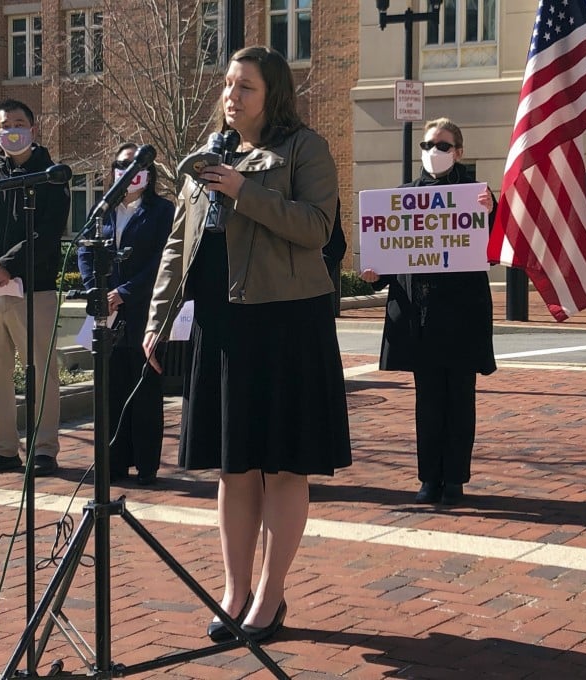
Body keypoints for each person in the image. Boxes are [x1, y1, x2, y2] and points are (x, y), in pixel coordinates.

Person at [143, 45, 351, 643]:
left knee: (283, 466)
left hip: (289, 324)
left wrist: (242, 190)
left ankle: (270, 594)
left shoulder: (304, 148)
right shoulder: (208, 155)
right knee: (234, 467)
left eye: (247, 87)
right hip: (223, 326)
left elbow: (317, 228)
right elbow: (178, 247)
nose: (232, 95)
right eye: (229, 85)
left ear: (273, 95)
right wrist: (157, 320)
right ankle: (233, 591)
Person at [360, 117, 496, 506]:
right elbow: (390, 255)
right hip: (420, 318)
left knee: (460, 400)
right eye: (427, 145)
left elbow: (496, 246)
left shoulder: (476, 196)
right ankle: (428, 478)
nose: (432, 153)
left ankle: (455, 479)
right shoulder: (403, 196)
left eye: (441, 146)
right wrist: (374, 274)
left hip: (462, 317)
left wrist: (491, 210)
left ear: (459, 152)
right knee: (428, 401)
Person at [0, 99, 70, 477]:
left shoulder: (52, 177)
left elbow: (48, 232)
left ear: (33, 129)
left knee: (40, 372)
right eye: (6, 125)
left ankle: (44, 449)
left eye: (20, 123)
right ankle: (4, 448)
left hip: (33, 292)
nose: (12, 130)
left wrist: (9, 265)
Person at [78, 143, 173, 485]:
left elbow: (164, 260)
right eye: (121, 165)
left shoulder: (163, 211)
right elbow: (84, 252)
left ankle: (147, 465)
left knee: (145, 393)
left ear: (148, 173)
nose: (128, 171)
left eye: (135, 166)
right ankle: (114, 463)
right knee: (111, 391)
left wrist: (126, 292)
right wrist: (97, 289)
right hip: (107, 316)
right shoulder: (101, 210)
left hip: (144, 313)